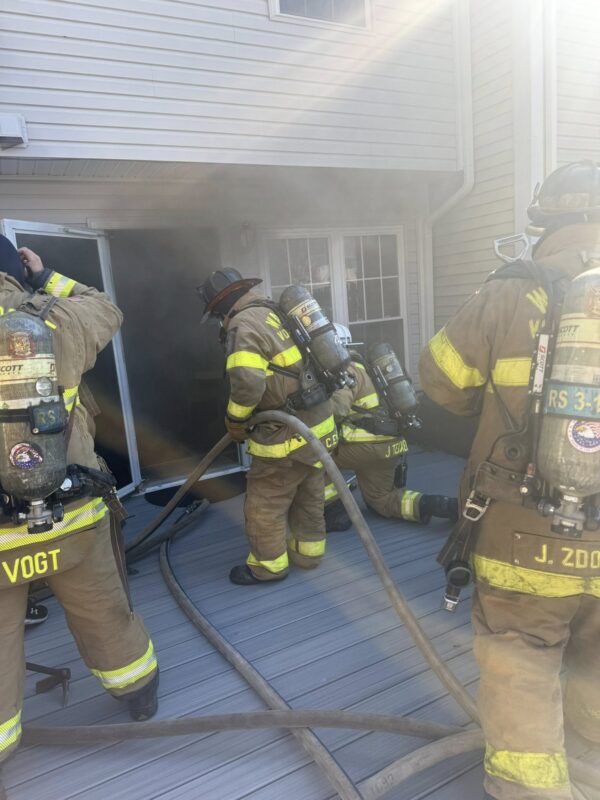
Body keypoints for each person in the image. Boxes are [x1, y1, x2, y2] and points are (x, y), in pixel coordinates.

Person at [419, 160, 600, 800]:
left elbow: (440, 381)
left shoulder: (510, 291)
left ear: (544, 221)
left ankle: (533, 790)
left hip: (522, 532)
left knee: (521, 658)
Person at [0, 238, 159, 777]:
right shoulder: (57, 317)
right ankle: (138, 691)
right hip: (71, 515)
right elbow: (107, 307)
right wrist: (45, 277)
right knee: (102, 610)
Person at [198, 269, 337, 585]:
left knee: (265, 504)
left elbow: (247, 384)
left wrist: (235, 421)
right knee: (309, 494)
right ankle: (308, 554)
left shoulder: (243, 324)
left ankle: (267, 567)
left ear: (221, 308)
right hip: (318, 428)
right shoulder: (276, 312)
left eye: (217, 316)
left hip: (285, 437)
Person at [324, 326, 458, 531]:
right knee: (382, 499)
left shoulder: (346, 371)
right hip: (393, 446)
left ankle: (333, 510)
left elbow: (337, 410)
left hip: (365, 448)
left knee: (313, 457)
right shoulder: (371, 369)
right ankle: (437, 505)